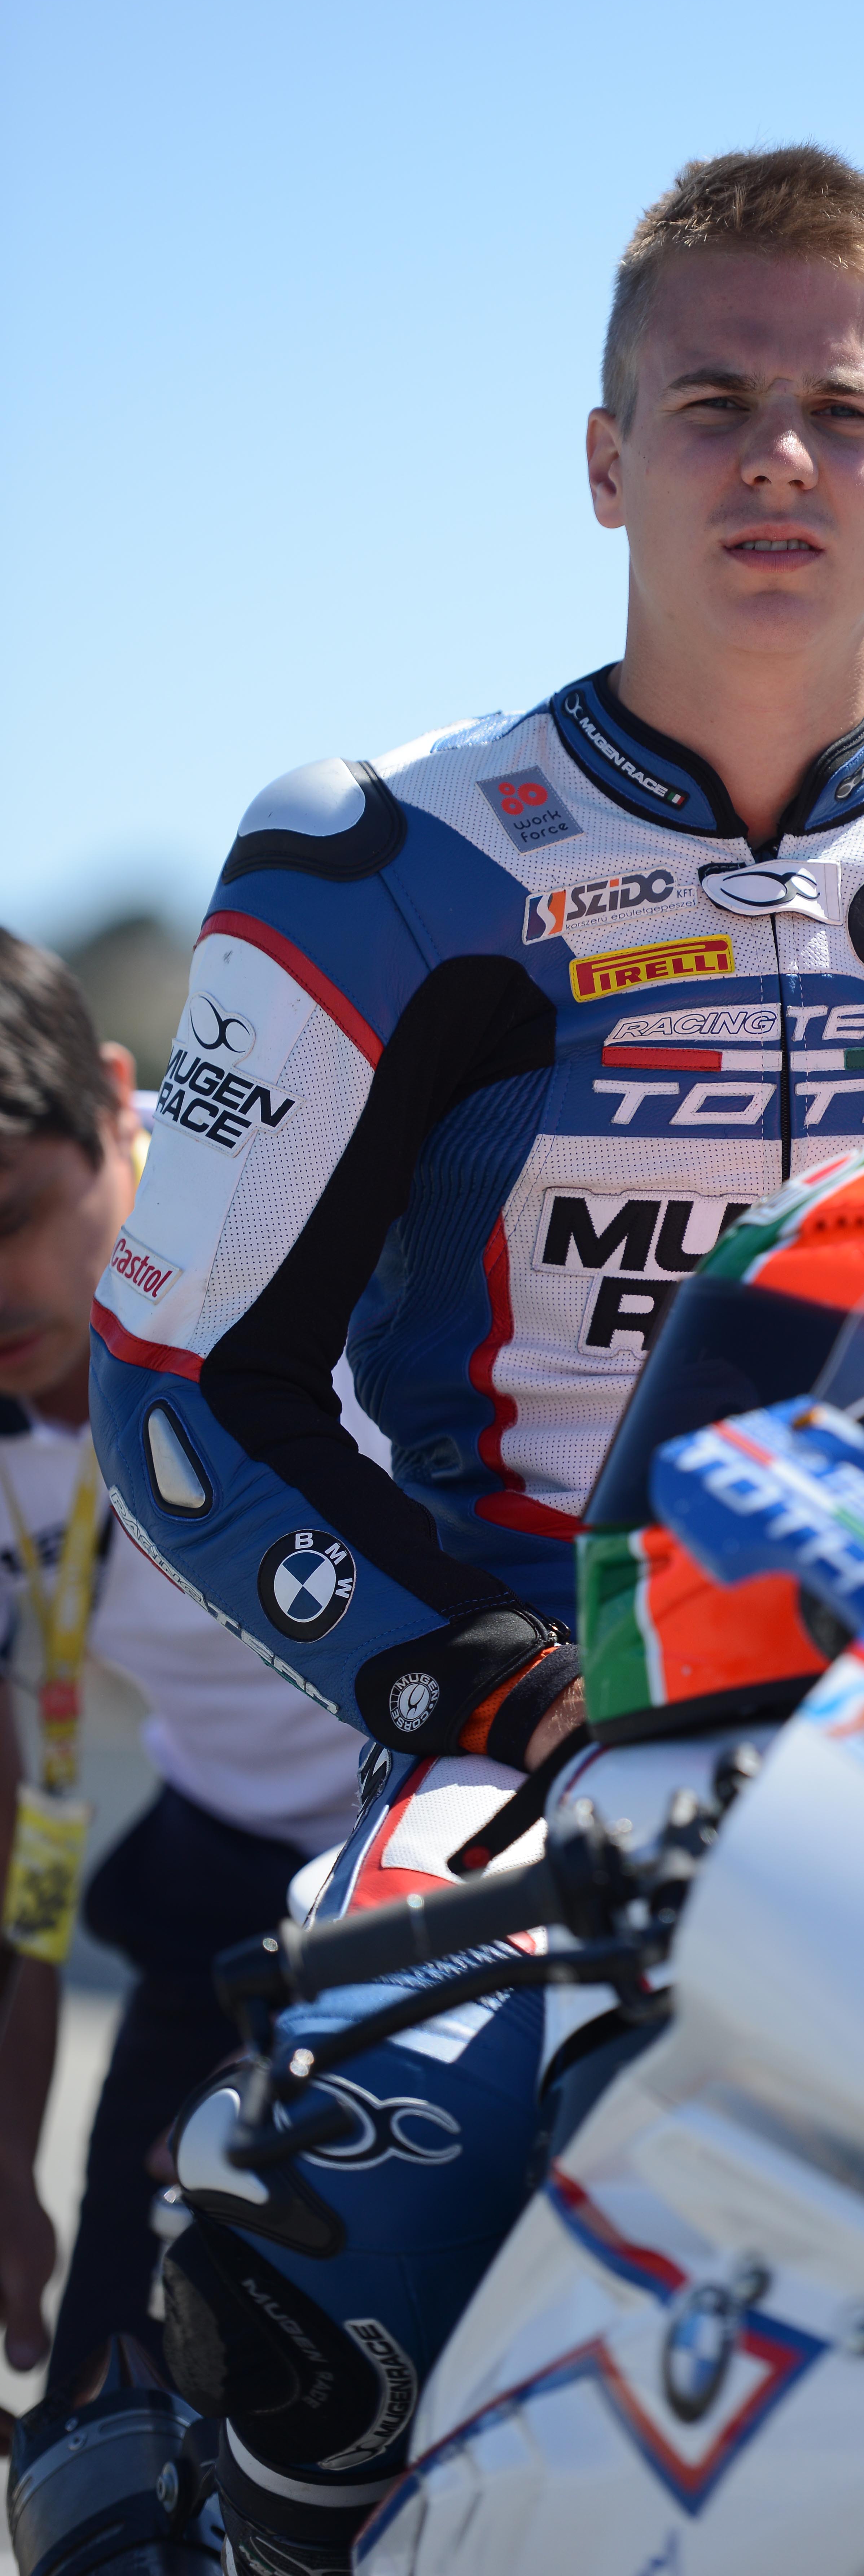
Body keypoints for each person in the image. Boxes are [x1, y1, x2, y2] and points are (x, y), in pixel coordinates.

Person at [86, 144, 864, 2569]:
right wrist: (493, 1687)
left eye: (842, 415)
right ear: (605, 458)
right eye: (713, 405)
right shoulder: (382, 866)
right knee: (352, 2235)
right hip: (546, 1725)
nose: (777, 462)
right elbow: (180, 1395)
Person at [0, 931, 368, 2398]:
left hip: (468, 1867)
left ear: (114, 1098)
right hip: (217, 1886)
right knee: (104, 2425)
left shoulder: (324, 1239)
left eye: (13, 1213)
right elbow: (16, 1842)